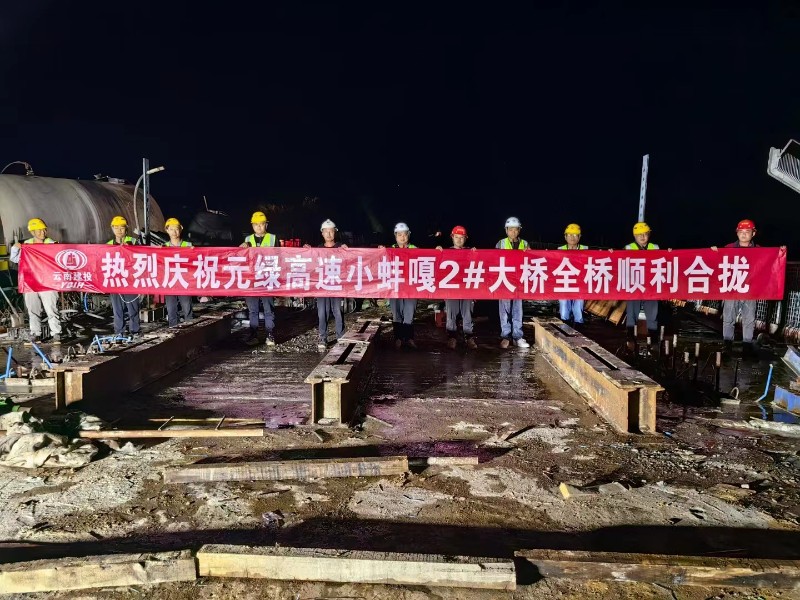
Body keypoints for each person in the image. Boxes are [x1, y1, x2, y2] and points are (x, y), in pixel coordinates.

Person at [9, 218, 62, 344]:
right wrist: (15, 248)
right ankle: (35, 333)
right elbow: (15, 259)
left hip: (48, 282)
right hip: (31, 282)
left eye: (44, 230)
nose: (43, 233)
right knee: (33, 310)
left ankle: (56, 334)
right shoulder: (26, 245)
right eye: (39, 230)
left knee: (51, 309)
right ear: (32, 232)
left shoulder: (51, 244)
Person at [711, 219, 759, 357]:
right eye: (741, 232)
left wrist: (780, 252)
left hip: (750, 291)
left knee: (749, 319)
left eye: (747, 232)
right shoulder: (728, 248)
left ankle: (747, 347)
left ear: (753, 233)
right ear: (737, 233)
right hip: (731, 290)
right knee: (728, 318)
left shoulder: (759, 251)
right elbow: (717, 263)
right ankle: (727, 345)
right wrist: (714, 252)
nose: (744, 234)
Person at [305, 219, 348, 350]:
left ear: (335, 232)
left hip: (336, 285)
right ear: (322, 233)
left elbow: (349, 262)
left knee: (337, 311)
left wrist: (347, 251)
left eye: (331, 231)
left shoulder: (341, 248)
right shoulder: (318, 249)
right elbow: (311, 264)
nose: (329, 234)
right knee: (322, 313)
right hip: (322, 286)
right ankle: (323, 338)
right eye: (326, 231)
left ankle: (341, 336)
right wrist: (306, 251)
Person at [436, 225, 478, 349]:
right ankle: (452, 337)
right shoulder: (446, 252)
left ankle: (469, 337)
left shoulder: (471, 252)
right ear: (452, 237)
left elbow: (479, 267)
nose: (459, 240)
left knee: (467, 313)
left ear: (466, 238)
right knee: (451, 314)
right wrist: (437, 253)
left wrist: (477, 255)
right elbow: (437, 267)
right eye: (456, 237)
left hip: (467, 288)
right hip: (451, 289)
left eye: (462, 237)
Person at [239, 211, 277, 346]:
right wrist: (242, 248)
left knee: (268, 309)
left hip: (267, 278)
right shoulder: (247, 239)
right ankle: (253, 334)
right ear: (252, 226)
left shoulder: (273, 238)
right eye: (256, 224)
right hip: (252, 279)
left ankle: (270, 334)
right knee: (253, 310)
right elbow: (242, 258)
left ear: (266, 224)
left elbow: (281, 256)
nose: (259, 227)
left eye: (261, 224)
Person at [496, 217, 530, 348]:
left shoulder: (525, 243)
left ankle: (518, 337)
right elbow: (493, 260)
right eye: (510, 230)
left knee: (517, 310)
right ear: (506, 230)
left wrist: (530, 253)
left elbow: (531, 260)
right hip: (505, 280)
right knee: (504, 311)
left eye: (516, 230)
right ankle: (506, 337)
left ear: (519, 230)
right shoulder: (501, 243)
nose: (513, 232)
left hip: (519, 281)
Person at [383, 222, 418, 349]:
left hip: (411, 288)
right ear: (395, 236)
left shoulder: (415, 249)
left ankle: (409, 338)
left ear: (409, 235)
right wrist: (380, 251)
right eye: (399, 235)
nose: (402, 237)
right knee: (396, 314)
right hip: (395, 288)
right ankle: (398, 338)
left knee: (409, 313)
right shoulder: (390, 250)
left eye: (405, 234)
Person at [106, 216, 141, 339]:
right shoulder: (108, 245)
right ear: (112, 229)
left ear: (126, 228)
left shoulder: (134, 242)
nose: (119, 230)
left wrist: (130, 249)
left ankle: (135, 331)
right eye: (116, 228)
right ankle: (119, 332)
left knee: (133, 308)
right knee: (117, 309)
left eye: (122, 227)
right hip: (115, 281)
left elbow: (142, 256)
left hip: (130, 280)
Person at [624, 222, 660, 340]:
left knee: (652, 315)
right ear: (635, 235)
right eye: (639, 234)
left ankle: (653, 342)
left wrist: (670, 253)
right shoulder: (628, 248)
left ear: (649, 234)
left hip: (651, 286)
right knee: (631, 315)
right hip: (634, 286)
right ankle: (630, 340)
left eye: (645, 234)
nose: (643, 236)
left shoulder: (655, 247)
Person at [163, 217, 194, 327]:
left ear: (181, 229)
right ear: (167, 230)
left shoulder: (188, 246)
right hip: (170, 282)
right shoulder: (163, 247)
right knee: (171, 311)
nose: (174, 232)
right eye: (171, 229)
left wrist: (194, 252)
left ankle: (190, 331)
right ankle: (174, 332)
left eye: (176, 229)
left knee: (187, 309)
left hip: (184, 281)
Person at [558, 223, 588, 326]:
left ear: (579, 237)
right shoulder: (559, 250)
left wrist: (609, 253)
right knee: (564, 304)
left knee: (578, 305)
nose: (572, 237)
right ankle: (564, 323)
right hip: (564, 282)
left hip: (579, 283)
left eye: (575, 235)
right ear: (565, 236)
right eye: (570, 235)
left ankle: (578, 325)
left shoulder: (586, 249)